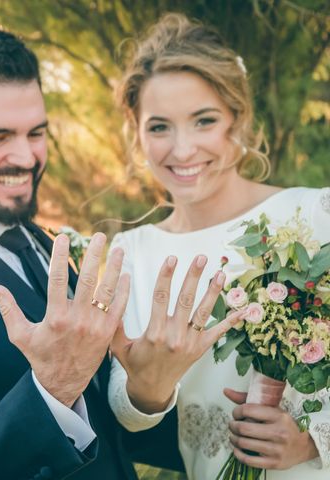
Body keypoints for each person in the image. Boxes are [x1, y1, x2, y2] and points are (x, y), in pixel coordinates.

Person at [0, 23, 240, 480]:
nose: (26, 157)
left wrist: (203, 423)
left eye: (36, 133)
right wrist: (52, 389)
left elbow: (103, 427)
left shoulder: (43, 242)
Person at [107, 13, 330, 480]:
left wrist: (314, 437)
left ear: (239, 118)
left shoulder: (314, 217)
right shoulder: (127, 254)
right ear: (137, 133)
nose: (182, 150)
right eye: (160, 127)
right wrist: (151, 385)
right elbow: (128, 411)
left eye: (203, 121)